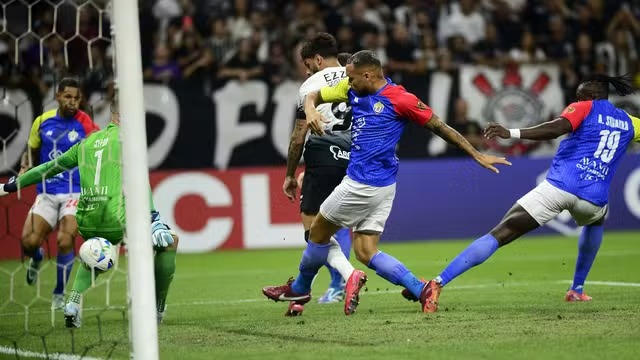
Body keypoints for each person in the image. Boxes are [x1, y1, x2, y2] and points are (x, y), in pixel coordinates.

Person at [263, 50, 510, 314]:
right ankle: (420, 289)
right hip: (384, 187)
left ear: (368, 75)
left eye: (352, 77)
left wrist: (476, 154)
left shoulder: (401, 99)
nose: (347, 82)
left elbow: (440, 126)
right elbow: (314, 95)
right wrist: (311, 109)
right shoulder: (352, 87)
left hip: (361, 185)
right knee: (366, 251)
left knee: (317, 233)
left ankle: (301, 288)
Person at [414, 74, 640, 312]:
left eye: (580, 96)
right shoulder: (628, 121)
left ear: (592, 96)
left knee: (499, 234)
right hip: (594, 199)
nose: (576, 100)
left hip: (560, 187)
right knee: (596, 221)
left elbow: (557, 128)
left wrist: (510, 133)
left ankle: (437, 283)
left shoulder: (585, 107)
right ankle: (577, 289)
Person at [1, 93, 178, 328]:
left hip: (86, 218)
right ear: (121, 115)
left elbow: (48, 168)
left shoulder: (87, 142)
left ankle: (72, 303)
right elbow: (139, 181)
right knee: (169, 242)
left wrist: (12, 185)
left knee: (97, 252)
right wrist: (154, 219)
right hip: (116, 218)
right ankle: (157, 307)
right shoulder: (128, 141)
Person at [283, 33, 353, 315]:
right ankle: (303, 294)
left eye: (308, 64)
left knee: (314, 231)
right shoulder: (356, 76)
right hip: (356, 159)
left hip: (323, 158)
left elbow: (298, 137)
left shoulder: (310, 86)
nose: (307, 70)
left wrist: (290, 174)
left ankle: (343, 280)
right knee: (341, 227)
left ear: (318, 59)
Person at [20, 77, 99, 310]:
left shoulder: (85, 123)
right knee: (28, 242)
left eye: (76, 98)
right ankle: (36, 257)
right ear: (58, 97)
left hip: (74, 191)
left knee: (65, 241)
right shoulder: (42, 122)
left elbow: (99, 147)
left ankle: (58, 293)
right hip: (47, 191)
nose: (72, 102)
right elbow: (31, 151)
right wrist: (26, 167)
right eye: (68, 97)